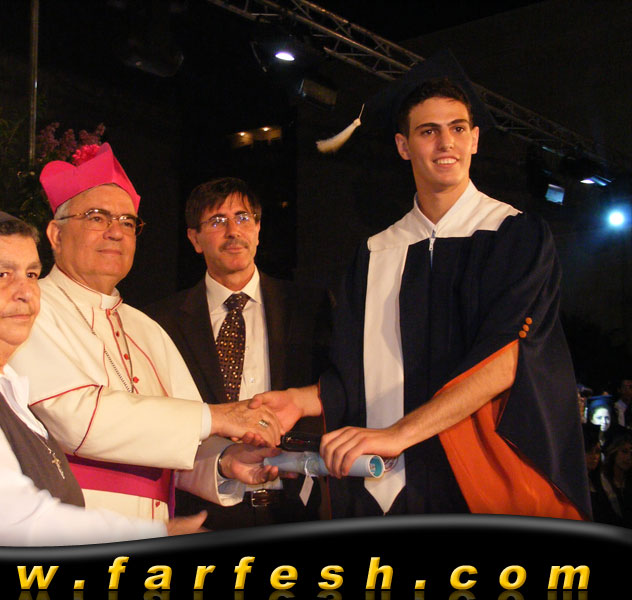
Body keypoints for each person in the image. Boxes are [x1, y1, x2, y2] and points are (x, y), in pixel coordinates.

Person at [252, 53, 591, 520]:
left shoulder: (515, 236)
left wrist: (400, 433)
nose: (445, 142)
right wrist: (300, 400)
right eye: (428, 131)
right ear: (403, 146)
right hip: (385, 484)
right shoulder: (375, 253)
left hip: (483, 478)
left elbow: (506, 360)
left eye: (457, 128)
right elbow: (353, 378)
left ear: (474, 139)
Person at [0, 209, 205, 545]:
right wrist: (155, 533)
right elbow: (10, 524)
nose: (25, 291)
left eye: (31, 274)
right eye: (2, 274)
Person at [9, 144, 282, 524]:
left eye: (127, 222)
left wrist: (224, 461)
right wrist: (217, 416)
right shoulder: (27, 310)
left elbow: (184, 441)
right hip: (66, 527)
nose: (115, 233)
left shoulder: (147, 329)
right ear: (55, 234)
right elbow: (76, 419)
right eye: (96, 218)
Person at [144, 177, 330, 529]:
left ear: (258, 229)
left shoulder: (310, 307)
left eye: (243, 218)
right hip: (203, 511)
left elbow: (335, 389)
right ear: (194, 239)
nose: (233, 231)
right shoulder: (160, 322)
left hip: (298, 505)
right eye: (217, 221)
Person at [598, 429, 632, 527]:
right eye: (624, 452)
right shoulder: (602, 481)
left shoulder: (628, 481)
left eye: (631, 452)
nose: (629, 457)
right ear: (613, 452)